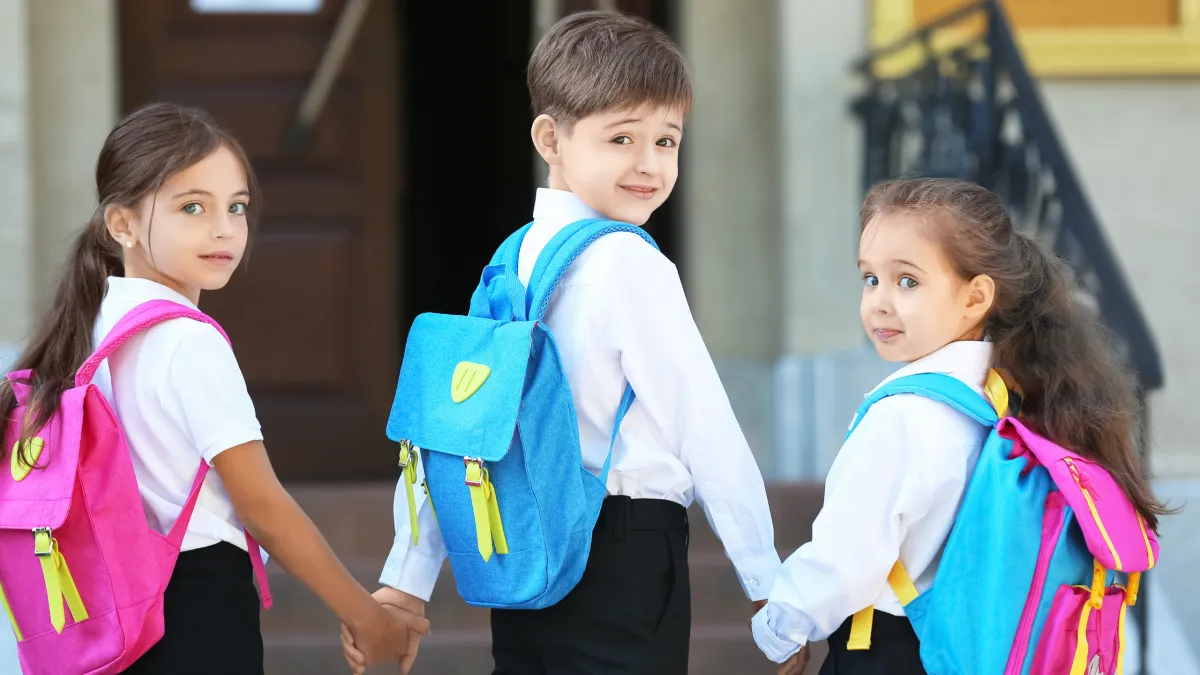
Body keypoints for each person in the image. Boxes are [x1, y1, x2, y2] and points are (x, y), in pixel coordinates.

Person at [347, 11, 781, 675]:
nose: (648, 163)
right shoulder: (632, 263)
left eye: (666, 140)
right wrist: (765, 581)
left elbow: (459, 430)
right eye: (621, 137)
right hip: (623, 551)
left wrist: (408, 578)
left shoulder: (507, 263)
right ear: (551, 137)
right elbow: (706, 428)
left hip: (526, 542)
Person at [0, 103, 428, 674]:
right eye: (193, 207)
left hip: (110, 611)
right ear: (121, 223)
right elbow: (263, 506)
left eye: (237, 206)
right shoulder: (186, 340)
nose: (224, 228)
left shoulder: (89, 323)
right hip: (193, 608)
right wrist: (368, 619)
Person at [751, 177, 1169, 674]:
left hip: (888, 652)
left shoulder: (903, 414)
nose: (880, 301)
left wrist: (781, 627)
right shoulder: (1011, 405)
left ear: (975, 299)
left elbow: (846, 560)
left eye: (907, 281)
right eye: (870, 279)